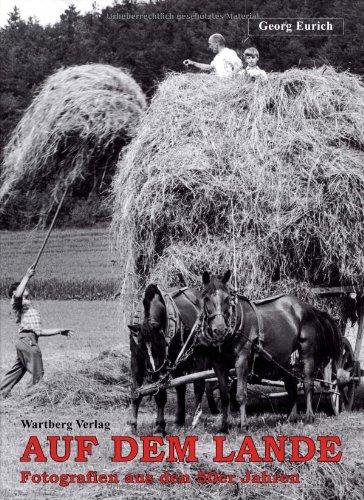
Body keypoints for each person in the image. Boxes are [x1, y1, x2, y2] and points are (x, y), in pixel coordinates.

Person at [0, 264, 74, 397]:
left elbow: (39, 332)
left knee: (17, 370)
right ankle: (32, 396)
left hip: (27, 340)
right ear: (14, 292)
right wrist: (27, 276)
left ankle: (2, 392)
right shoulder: (17, 303)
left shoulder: (29, 308)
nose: (26, 288)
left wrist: (59, 330)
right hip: (27, 341)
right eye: (23, 287)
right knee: (38, 372)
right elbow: (18, 295)